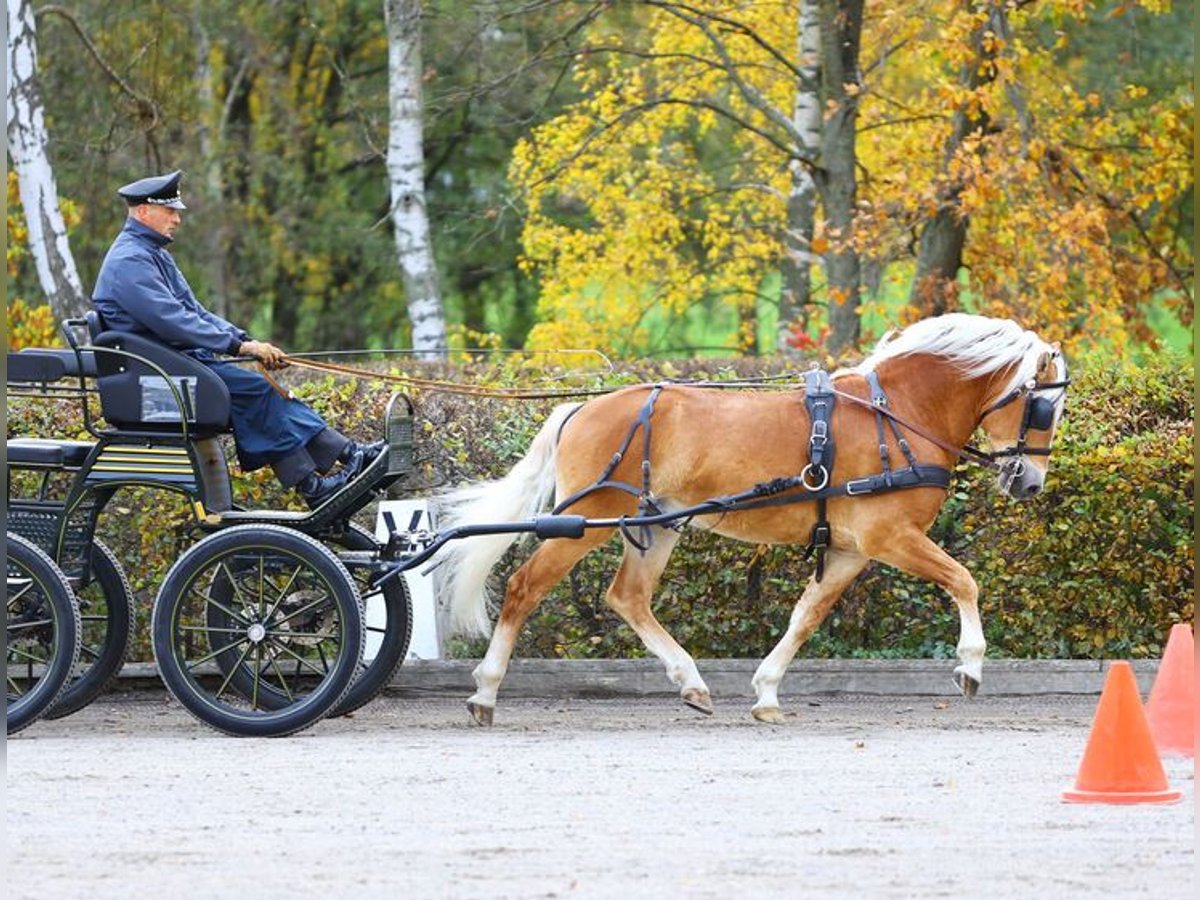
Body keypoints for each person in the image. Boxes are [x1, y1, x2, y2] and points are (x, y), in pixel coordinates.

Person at [91, 169, 382, 508]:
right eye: (170, 211)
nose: (177, 219)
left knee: (269, 391)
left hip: (172, 369)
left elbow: (195, 312)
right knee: (255, 391)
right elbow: (173, 321)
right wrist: (239, 347)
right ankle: (314, 489)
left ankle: (349, 455)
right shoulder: (130, 260)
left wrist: (244, 341)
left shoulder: (151, 254)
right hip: (155, 381)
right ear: (144, 212)